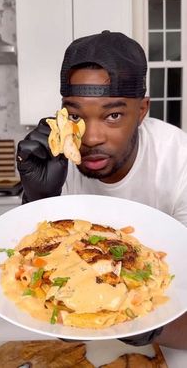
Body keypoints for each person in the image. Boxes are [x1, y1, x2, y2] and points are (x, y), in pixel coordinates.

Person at [16, 30, 187, 349]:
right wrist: (38, 201)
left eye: (113, 115)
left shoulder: (179, 163)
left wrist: (150, 327)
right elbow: (32, 290)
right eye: (76, 115)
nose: (90, 137)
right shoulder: (56, 159)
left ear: (142, 110)